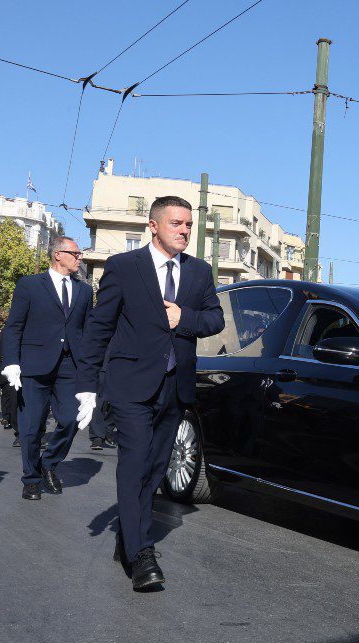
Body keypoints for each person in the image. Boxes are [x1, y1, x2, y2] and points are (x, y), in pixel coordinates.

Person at [76, 195, 223, 591]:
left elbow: (215, 318)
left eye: (189, 225)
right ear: (154, 225)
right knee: (135, 463)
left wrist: (184, 318)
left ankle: (128, 535)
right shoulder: (124, 267)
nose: (185, 231)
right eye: (177, 223)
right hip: (131, 385)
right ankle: (142, 554)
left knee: (156, 468)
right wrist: (88, 385)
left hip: (175, 388)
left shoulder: (199, 272)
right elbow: (99, 327)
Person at [1, 236, 92, 500]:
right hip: (34, 365)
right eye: (76, 253)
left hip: (70, 365)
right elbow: (15, 325)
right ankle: (30, 479)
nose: (80, 258)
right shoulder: (30, 285)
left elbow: (87, 330)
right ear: (58, 255)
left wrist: (90, 369)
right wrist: (12, 362)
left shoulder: (85, 291)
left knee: (71, 419)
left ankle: (48, 463)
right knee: (31, 425)